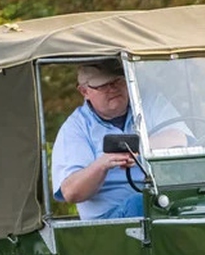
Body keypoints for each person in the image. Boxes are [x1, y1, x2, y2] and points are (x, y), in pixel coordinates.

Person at [51, 59, 189, 219]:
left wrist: (136, 148)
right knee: (141, 203)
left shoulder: (147, 102)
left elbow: (179, 137)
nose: (113, 88)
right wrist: (102, 165)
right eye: (103, 85)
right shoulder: (75, 128)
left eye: (118, 80)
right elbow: (71, 192)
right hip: (109, 220)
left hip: (162, 201)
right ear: (84, 91)